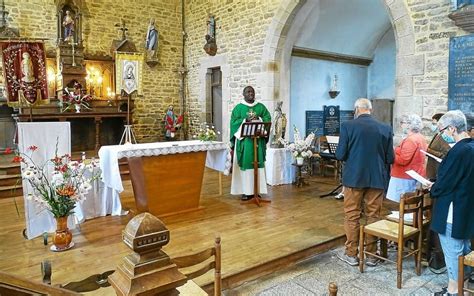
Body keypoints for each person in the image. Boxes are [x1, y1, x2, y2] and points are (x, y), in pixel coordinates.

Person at [335, 98, 394, 267]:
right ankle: (371, 255)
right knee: (373, 215)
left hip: (354, 178)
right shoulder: (385, 128)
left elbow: (340, 155)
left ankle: (352, 254)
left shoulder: (348, 126)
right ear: (370, 110)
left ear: (356, 110)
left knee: (352, 215)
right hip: (377, 179)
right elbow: (390, 158)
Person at [430, 110, 474, 296]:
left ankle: (453, 291)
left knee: (453, 251)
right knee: (463, 246)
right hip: (466, 206)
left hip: (452, 210)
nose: (442, 135)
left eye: (442, 131)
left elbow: (445, 183)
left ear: (452, 128)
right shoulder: (471, 146)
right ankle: (461, 283)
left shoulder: (458, 151)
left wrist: (432, 187)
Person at [230, 86, 271, 201]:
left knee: (258, 165)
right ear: (243, 94)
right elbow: (233, 123)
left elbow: (267, 118)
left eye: (252, 92)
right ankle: (246, 191)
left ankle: (257, 191)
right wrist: (244, 121)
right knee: (247, 165)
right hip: (245, 143)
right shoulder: (238, 108)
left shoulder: (261, 107)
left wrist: (260, 119)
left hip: (258, 141)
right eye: (248, 92)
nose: (250, 93)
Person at [386, 114, 427, 206]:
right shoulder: (420, 137)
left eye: (402, 123)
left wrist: (390, 152)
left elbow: (403, 160)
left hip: (404, 176)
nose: (401, 125)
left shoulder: (411, 139)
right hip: (412, 175)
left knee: (401, 205)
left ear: (409, 125)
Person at [426, 113, 452, 181]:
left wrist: (430, 151)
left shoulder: (445, 136)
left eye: (435, 123)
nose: (434, 126)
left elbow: (446, 155)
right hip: (433, 170)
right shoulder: (437, 134)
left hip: (438, 171)